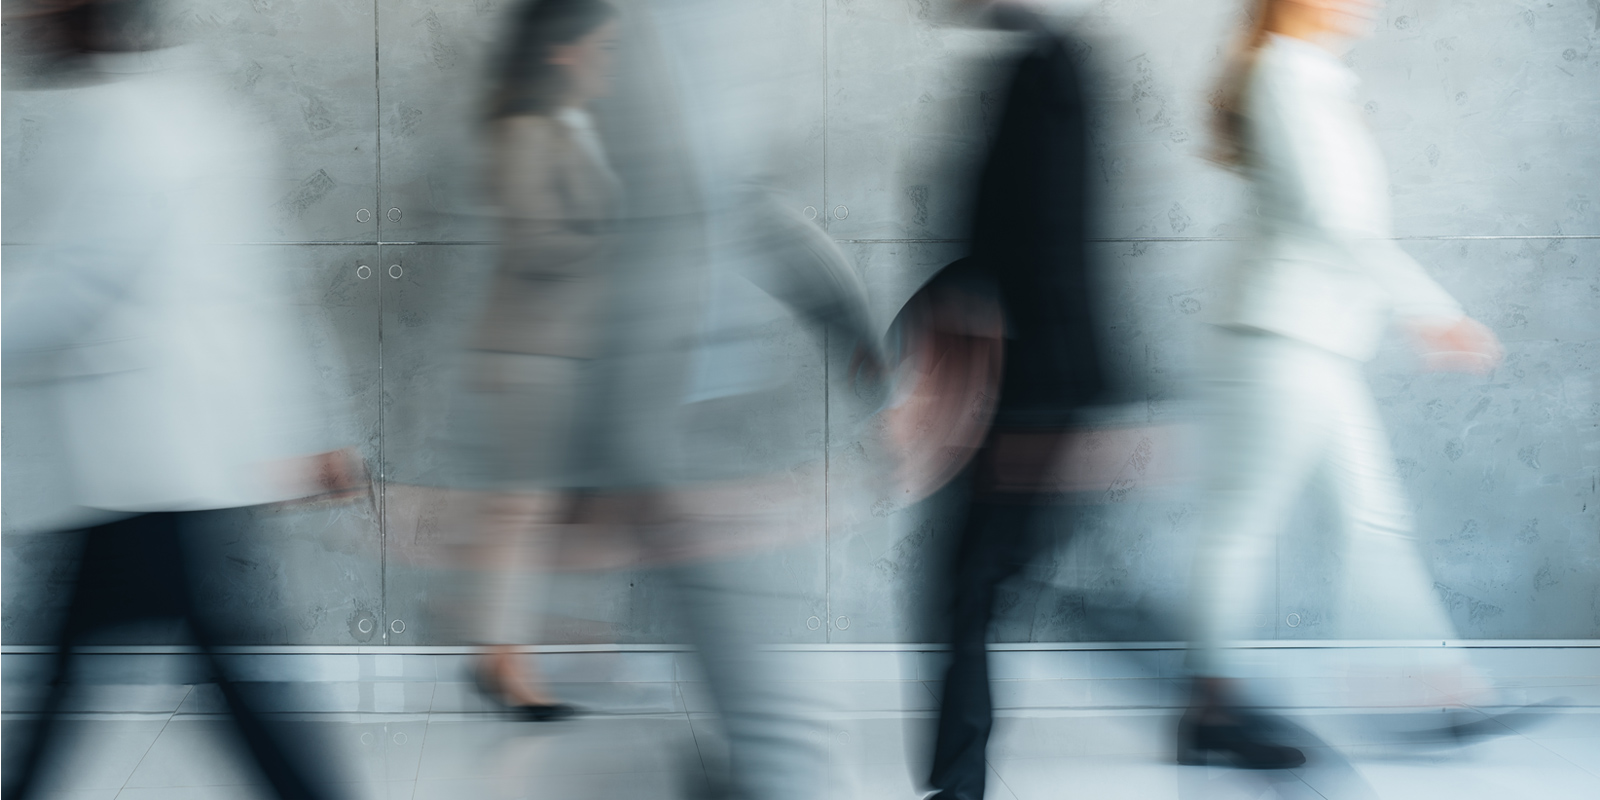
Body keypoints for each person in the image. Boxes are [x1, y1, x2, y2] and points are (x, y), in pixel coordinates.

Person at [0, 1, 363, 798]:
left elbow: (73, 283)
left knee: (204, 672)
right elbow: (261, 292)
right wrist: (303, 428)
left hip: (142, 456)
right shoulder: (192, 108)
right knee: (157, 665)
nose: (24, 22)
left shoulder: (119, 123)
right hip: (174, 451)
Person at [1180, 0, 1505, 769]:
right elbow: (1335, 216)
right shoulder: (1284, 76)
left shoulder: (1306, 76)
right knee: (1245, 521)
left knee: (1369, 512)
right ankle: (1212, 708)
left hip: (1312, 335)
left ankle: (1437, 684)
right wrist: (1431, 311)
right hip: (1281, 335)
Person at [917, 7, 1112, 800]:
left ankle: (1214, 702)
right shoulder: (1035, 65)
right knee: (988, 584)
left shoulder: (1047, 70)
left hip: (1031, 386)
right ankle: (1213, 701)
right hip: (1032, 382)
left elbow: (1039, 242)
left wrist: (1030, 401)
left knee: (978, 586)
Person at [459, 0, 621, 720]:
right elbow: (535, 242)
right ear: (565, 51)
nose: (609, 61)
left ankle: (502, 652)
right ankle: (503, 656)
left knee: (529, 511)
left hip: (557, 352)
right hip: (530, 352)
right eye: (602, 47)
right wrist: (628, 244)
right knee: (523, 511)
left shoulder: (568, 126)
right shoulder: (526, 129)